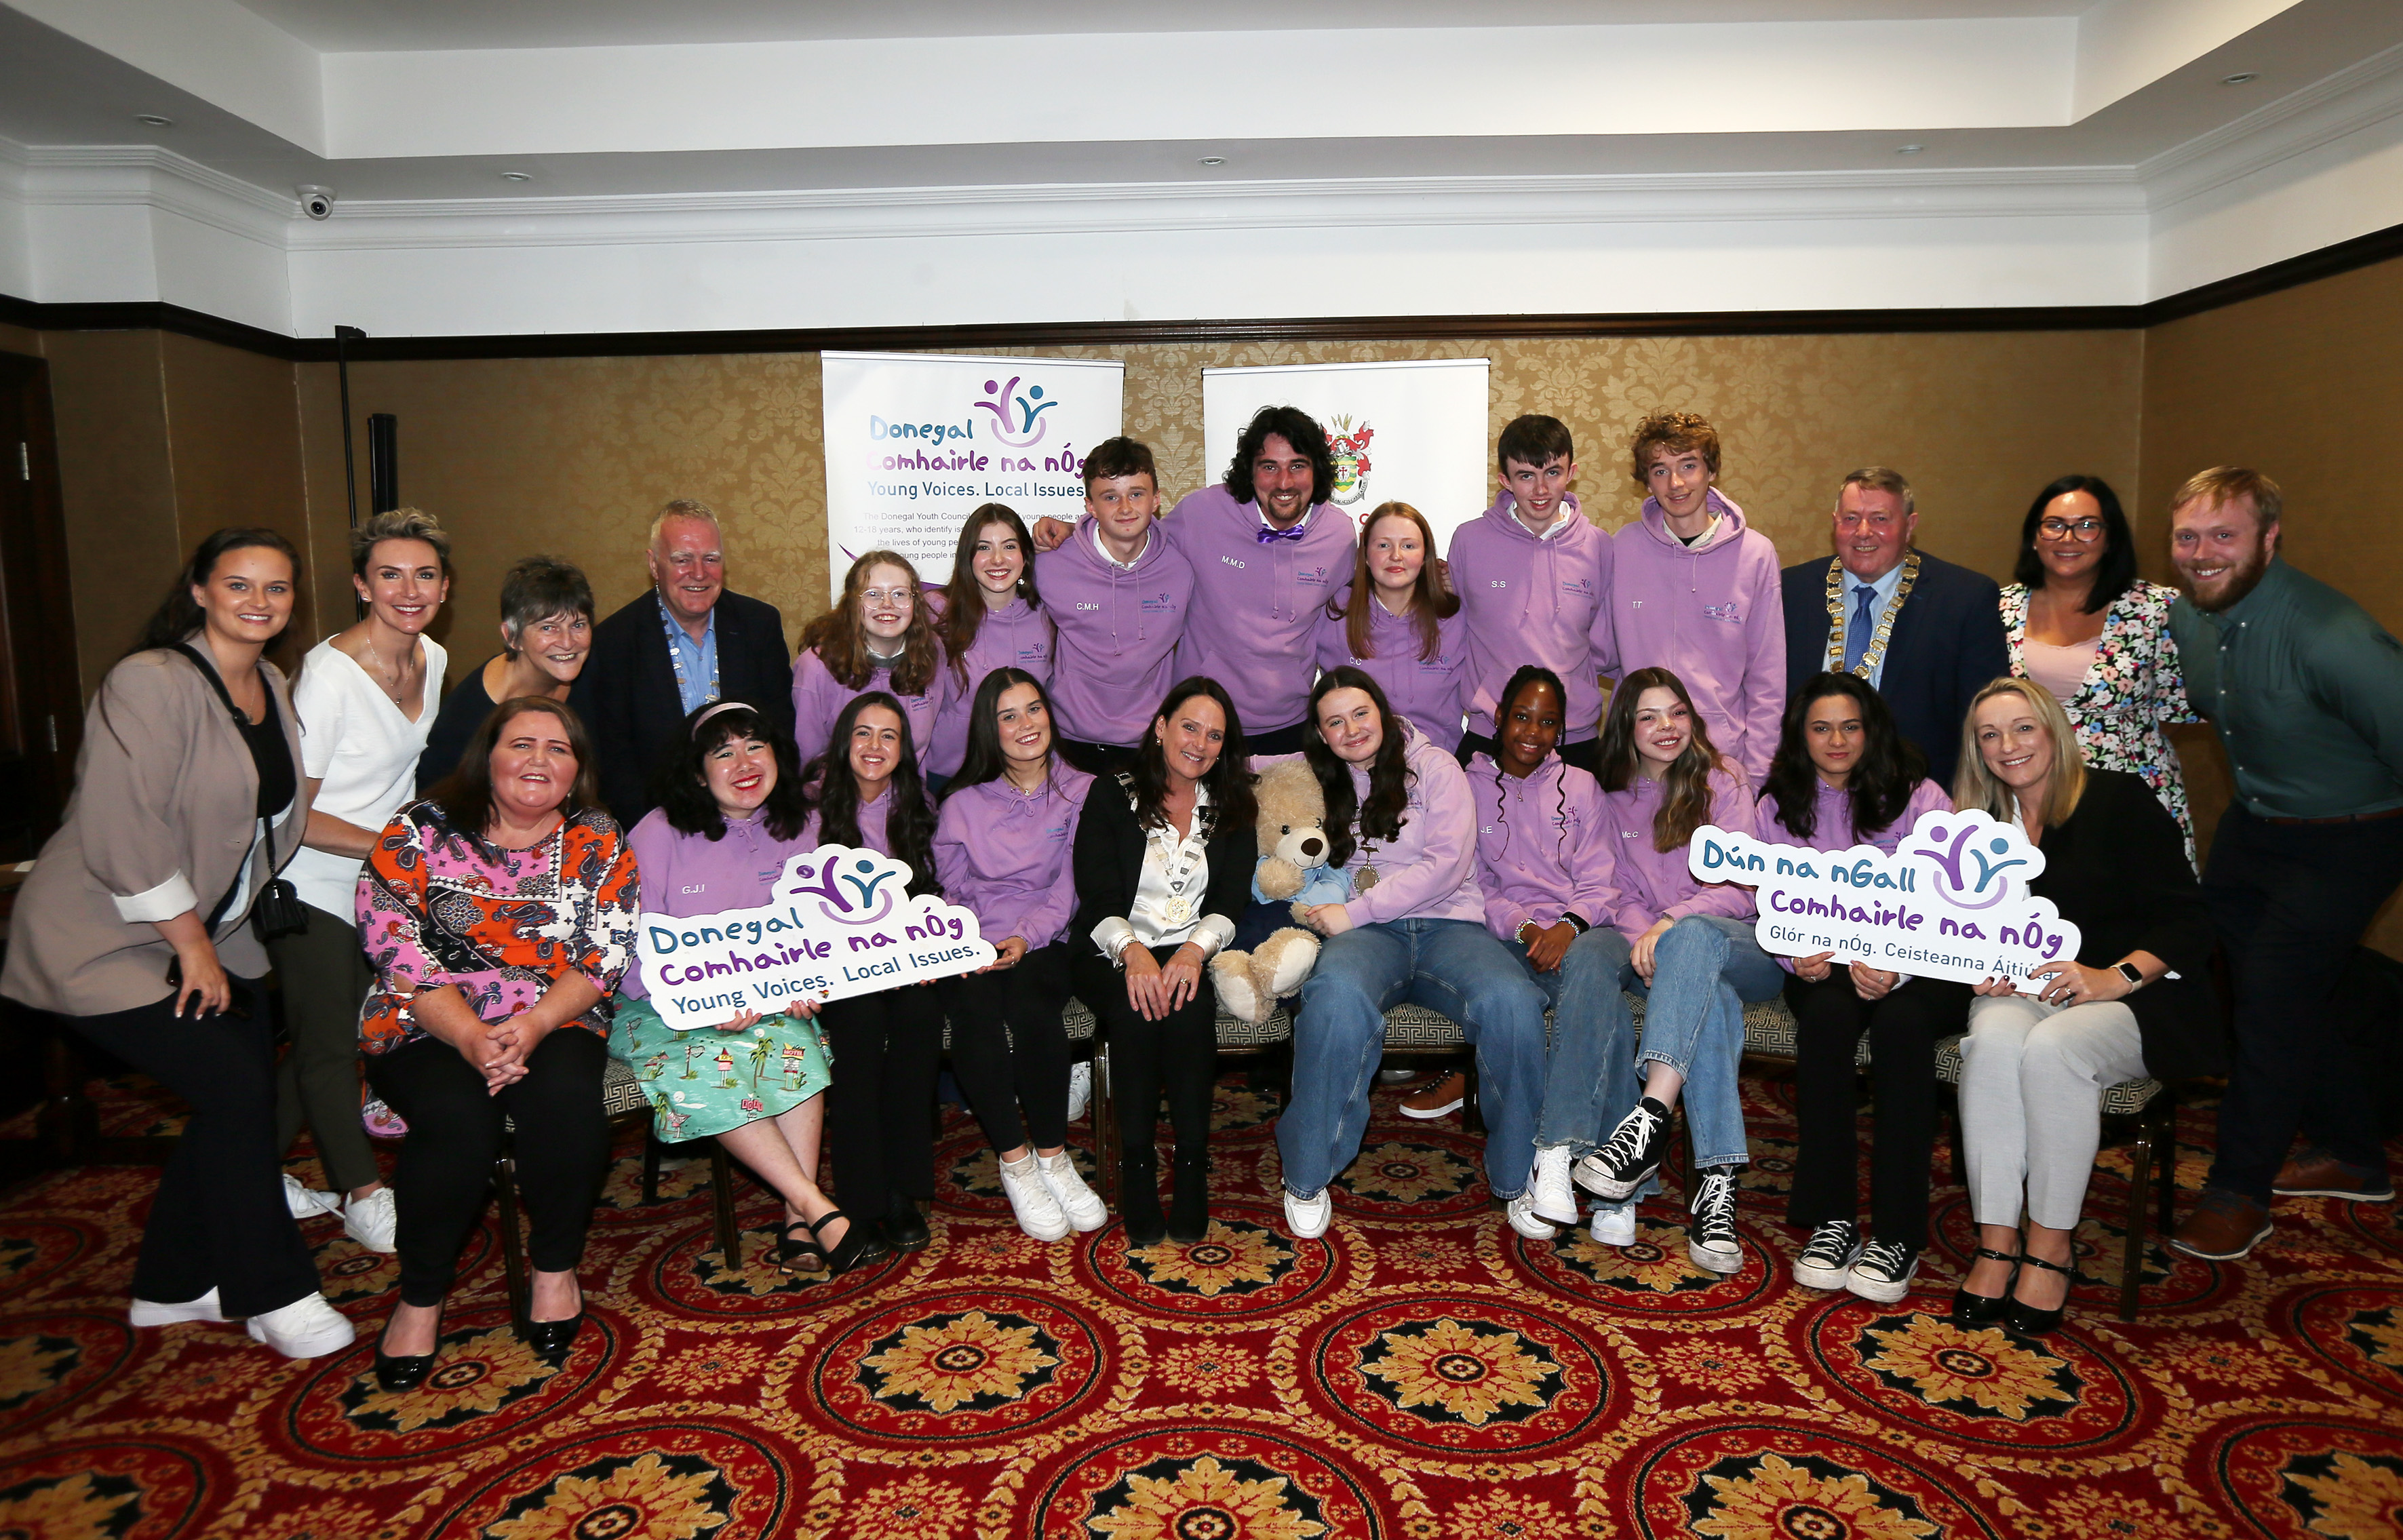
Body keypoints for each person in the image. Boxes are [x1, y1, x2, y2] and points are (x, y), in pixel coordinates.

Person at [1, 528, 349, 1358]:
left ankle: (169, 1283)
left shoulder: (268, 683)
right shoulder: (150, 681)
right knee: (232, 1084)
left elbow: (271, 820)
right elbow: (124, 828)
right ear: (199, 590)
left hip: (208, 934)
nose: (259, 602)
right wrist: (191, 943)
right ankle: (272, 1291)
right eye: (239, 584)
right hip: (102, 932)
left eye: (276, 589)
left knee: (239, 1087)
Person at [357, 697, 637, 1387]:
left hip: (555, 1014)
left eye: (559, 749)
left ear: (577, 772)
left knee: (568, 1102)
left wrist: (535, 1024)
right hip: (426, 1018)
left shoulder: (597, 837)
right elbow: (393, 944)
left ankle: (555, 1269)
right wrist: (470, 1035)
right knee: (458, 1119)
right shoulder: (418, 831)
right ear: (488, 756)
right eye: (523, 744)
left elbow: (605, 952)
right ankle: (420, 1296)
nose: (540, 760)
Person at [2163, 468, 2403, 1261]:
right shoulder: (2190, 617)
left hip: (2352, 834)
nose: (2202, 554)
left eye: (2223, 535)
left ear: (2270, 538)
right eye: (2187, 537)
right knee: (2275, 989)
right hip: (2258, 824)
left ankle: (2238, 1194)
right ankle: (2356, 1154)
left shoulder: (2335, 636)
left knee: (2271, 1003)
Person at [1951, 679, 2218, 1334]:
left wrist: (2115, 976)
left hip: (2139, 995)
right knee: (1989, 1043)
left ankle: (2049, 1244)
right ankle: (1995, 1240)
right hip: (2031, 992)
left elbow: (2191, 922)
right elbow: (1962, 929)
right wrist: (1977, 965)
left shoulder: (2117, 799)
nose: (2007, 746)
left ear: (2053, 731)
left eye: (2021, 728)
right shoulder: (1980, 829)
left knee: (2054, 1050)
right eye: (1989, 735)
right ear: (1976, 751)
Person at [1275, 667, 1552, 1240]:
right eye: (1334, 721)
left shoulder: (1435, 766)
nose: (1351, 729)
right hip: (1368, 940)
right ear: (1321, 735)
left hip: (1448, 925)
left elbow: (1447, 864)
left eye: (1359, 713)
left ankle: (1516, 1174)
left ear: (1381, 710)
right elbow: (1248, 769)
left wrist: (1353, 912)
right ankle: (1305, 1176)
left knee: (1513, 1001)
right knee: (1331, 998)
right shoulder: (1315, 778)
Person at [609, 701, 884, 1275]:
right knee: (710, 1064)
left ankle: (795, 1217)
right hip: (663, 1007)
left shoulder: (803, 824)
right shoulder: (658, 833)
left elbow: (820, 931)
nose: (743, 762)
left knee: (797, 1043)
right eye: (722, 751)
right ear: (696, 769)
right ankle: (814, 1206)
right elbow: (626, 949)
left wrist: (811, 983)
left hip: (769, 999)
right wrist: (705, 1004)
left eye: (754, 745)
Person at [273, 509, 452, 1253]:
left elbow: (401, 777)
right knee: (329, 1044)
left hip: (381, 882)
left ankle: (247, 1163)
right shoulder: (327, 676)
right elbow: (292, 814)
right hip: (309, 879)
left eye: (425, 574)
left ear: (445, 585)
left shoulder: (433, 659)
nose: (408, 590)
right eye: (389, 574)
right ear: (360, 583)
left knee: (337, 1028)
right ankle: (361, 1190)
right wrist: (395, 849)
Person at [1757, 673, 1964, 1301]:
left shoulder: (1921, 795)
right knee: (1825, 1020)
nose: (1837, 740)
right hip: (1825, 963)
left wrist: (1896, 964)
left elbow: (1949, 899)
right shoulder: (1775, 803)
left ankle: (1898, 1231)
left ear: (1871, 729)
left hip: (1920, 962)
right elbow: (1768, 898)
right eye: (1821, 727)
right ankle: (1833, 1217)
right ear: (1801, 736)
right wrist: (1794, 955)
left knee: (1902, 1028)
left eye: (1850, 725)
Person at [1571, 667, 1775, 1274]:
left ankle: (1650, 1116)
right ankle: (1717, 1192)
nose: (1666, 727)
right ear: (1625, 728)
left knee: (1695, 939)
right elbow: (1614, 888)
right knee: (1707, 1004)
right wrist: (1650, 938)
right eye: (1649, 716)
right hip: (1663, 961)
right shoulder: (1608, 795)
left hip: (1742, 947)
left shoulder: (1725, 782)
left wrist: (1672, 926)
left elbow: (1743, 883)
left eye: (1677, 712)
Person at [1034, 408, 1354, 756]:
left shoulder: (1338, 535)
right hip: (1201, 721)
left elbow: (1340, 627)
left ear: (1317, 469)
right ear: (1250, 471)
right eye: (1269, 467)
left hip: (1290, 720)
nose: (1284, 482)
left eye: (1297, 465)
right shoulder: (1203, 512)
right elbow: (1133, 532)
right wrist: (1072, 531)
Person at [1072, 677, 1258, 1247]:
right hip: (1112, 945)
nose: (1199, 743)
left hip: (1188, 946)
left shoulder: (1232, 803)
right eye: (1189, 726)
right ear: (1160, 727)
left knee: (1188, 1008)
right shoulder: (1112, 791)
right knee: (1135, 1010)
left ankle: (1192, 1164)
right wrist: (1131, 952)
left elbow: (1230, 900)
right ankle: (1136, 1164)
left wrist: (1194, 950)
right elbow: (1096, 893)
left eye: (1214, 735)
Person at [1466, 667, 1641, 1244]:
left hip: (1582, 933)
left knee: (1593, 983)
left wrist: (1567, 926)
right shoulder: (1465, 783)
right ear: (1498, 718)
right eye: (1521, 716)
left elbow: (1601, 878)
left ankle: (1557, 1157)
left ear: (1562, 730)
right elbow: (1471, 880)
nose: (1532, 733)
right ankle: (1618, 1184)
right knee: (1608, 1014)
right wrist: (1523, 927)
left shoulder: (1582, 786)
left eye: (1547, 722)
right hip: (1507, 937)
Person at [934, 670, 1106, 1242]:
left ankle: (1055, 1157)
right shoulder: (960, 803)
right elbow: (949, 888)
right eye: (1008, 715)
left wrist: (1025, 937)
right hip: (973, 939)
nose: (1025, 724)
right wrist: (968, 941)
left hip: (1048, 936)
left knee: (1034, 1011)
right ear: (990, 728)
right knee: (974, 1011)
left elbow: (1072, 884)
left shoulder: (1082, 789)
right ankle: (1016, 1160)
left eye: (1034, 709)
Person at [798, 692, 948, 1254]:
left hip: (902, 964)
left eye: (889, 736)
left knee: (919, 1015)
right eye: (863, 732)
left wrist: (935, 952)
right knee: (859, 1030)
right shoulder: (810, 809)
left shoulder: (916, 804)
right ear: (843, 741)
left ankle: (902, 1190)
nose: (875, 746)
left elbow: (934, 893)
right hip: (835, 970)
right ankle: (862, 1198)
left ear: (904, 749)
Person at [1999, 475, 2197, 855]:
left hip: (2129, 792)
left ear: (2110, 538)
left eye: (2087, 526)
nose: (2068, 539)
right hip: (2022, 793)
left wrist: (2109, 743)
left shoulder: (2159, 609)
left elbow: (2177, 708)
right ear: (2035, 537)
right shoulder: (1997, 607)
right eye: (2054, 525)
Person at [1780, 468, 2008, 787]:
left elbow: (1985, 713)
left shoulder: (1964, 598)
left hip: (1919, 793)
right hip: (1804, 792)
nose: (1863, 532)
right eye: (1850, 519)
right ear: (1835, 523)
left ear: (1910, 525)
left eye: (1880, 519)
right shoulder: (1789, 590)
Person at [572, 499, 792, 829]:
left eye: (711, 559)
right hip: (661, 827)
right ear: (653, 564)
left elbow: (781, 729)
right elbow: (614, 759)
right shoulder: (614, 642)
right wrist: (656, 835)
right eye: (682, 559)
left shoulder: (759, 625)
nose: (699, 573)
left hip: (756, 821)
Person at [1609, 412, 1785, 785]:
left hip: (1721, 763)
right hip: (1638, 764)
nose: (1675, 483)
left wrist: (1756, 777)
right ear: (1646, 482)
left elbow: (1767, 680)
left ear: (1712, 470)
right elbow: (1601, 650)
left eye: (1688, 466)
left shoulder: (1755, 555)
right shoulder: (1622, 549)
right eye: (1660, 470)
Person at [1448, 415, 1618, 774]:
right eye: (1526, 476)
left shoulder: (1599, 546)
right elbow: (1455, 627)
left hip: (1574, 734)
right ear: (1505, 480)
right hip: (1491, 729)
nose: (1541, 489)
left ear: (1572, 471)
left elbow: (1604, 646)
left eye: (1553, 473)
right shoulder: (1469, 540)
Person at [1034, 437, 1196, 773]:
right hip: (1068, 742)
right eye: (1110, 497)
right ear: (1090, 506)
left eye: (1136, 494)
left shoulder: (1182, 567)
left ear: (1156, 500)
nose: (1125, 508)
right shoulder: (1050, 563)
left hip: (1149, 744)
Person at [418, 555, 594, 793]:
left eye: (578, 625)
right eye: (547, 628)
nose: (567, 642)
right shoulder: (468, 721)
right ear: (512, 637)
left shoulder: (595, 677)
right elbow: (435, 805)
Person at [1316, 500, 1468, 755]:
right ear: (1365, 555)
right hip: (1355, 771)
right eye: (1383, 545)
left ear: (1425, 556)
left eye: (1408, 546)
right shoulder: (1334, 611)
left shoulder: (1455, 615)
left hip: (1439, 768)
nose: (1396, 555)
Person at [793, 550, 954, 770]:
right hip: (838, 800)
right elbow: (808, 761)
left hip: (909, 797)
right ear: (851, 602)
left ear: (915, 601)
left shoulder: (931, 651)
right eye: (873, 594)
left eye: (899, 594)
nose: (887, 604)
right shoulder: (816, 667)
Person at [926, 505, 1053, 783]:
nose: (997, 559)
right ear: (967, 557)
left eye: (1009, 546)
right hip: (949, 774)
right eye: (984, 548)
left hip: (1024, 774)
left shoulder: (1047, 615)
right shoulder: (936, 611)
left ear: (1025, 557)